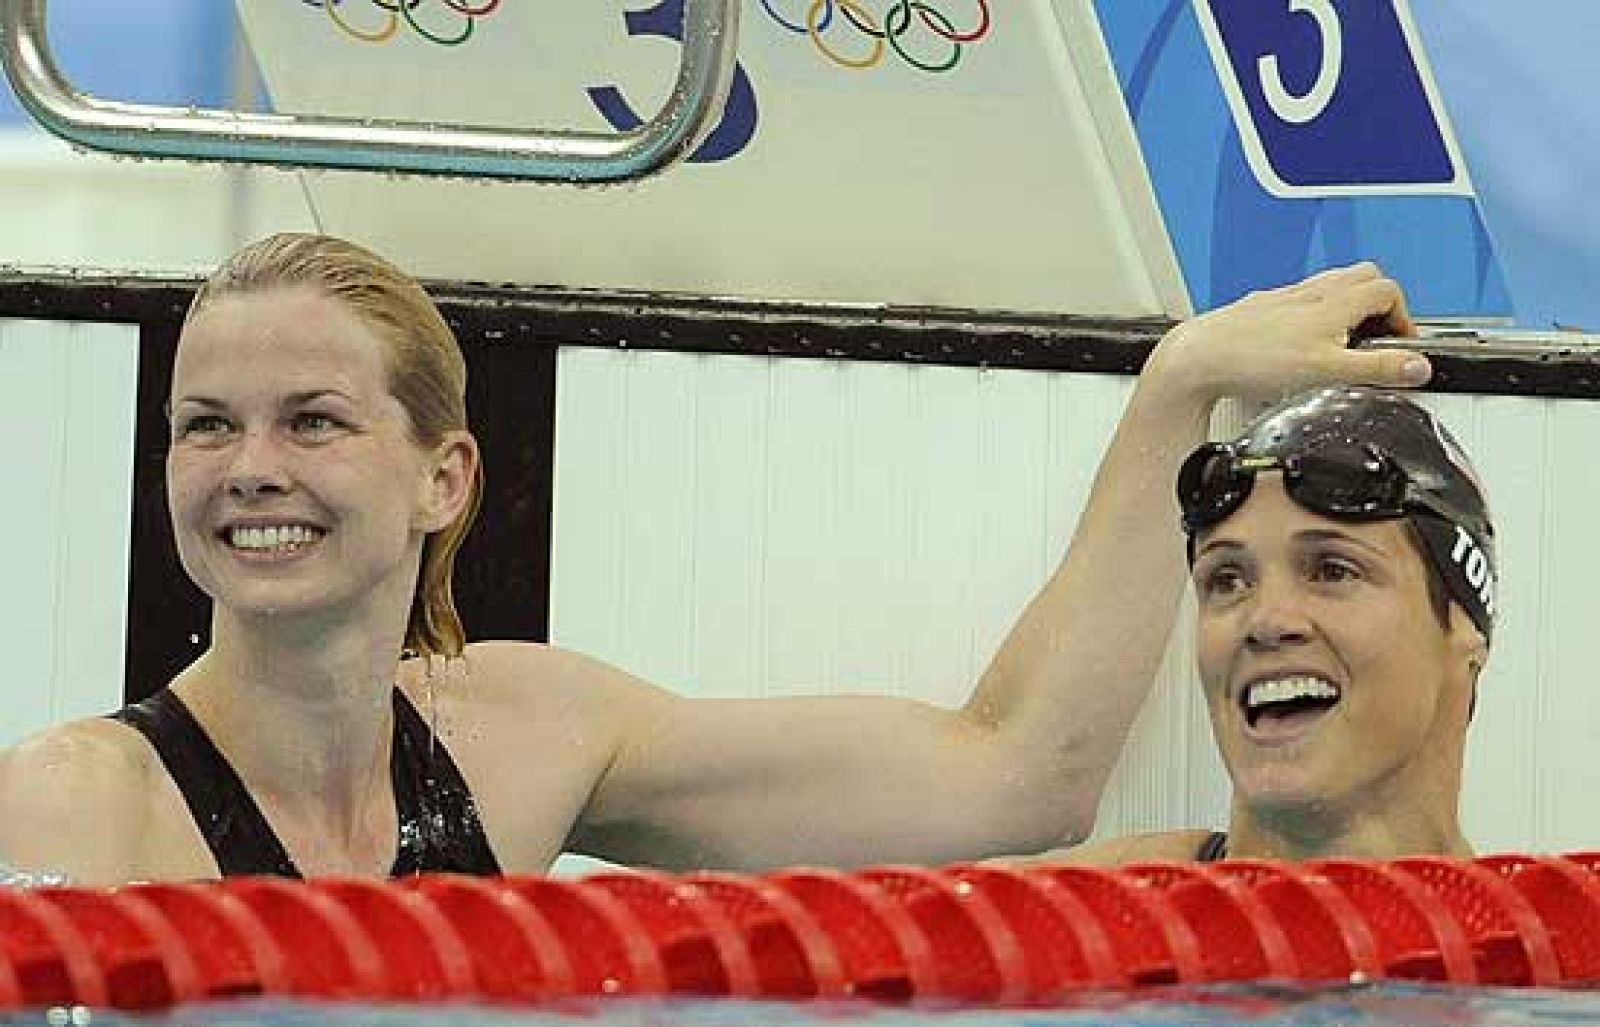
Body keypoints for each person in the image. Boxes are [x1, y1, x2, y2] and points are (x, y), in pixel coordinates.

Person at [0, 234, 1429, 884]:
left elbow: (1015, 773)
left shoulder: (527, 733)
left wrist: (1174, 390)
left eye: (311, 420)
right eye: (206, 426)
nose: (250, 466)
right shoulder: (68, 810)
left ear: (446, 477)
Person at [1024, 385, 1494, 865]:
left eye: (1332, 570)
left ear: (1463, 630)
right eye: (1227, 581)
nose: (1267, 621)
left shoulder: (1545, 936)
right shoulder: (1087, 919)